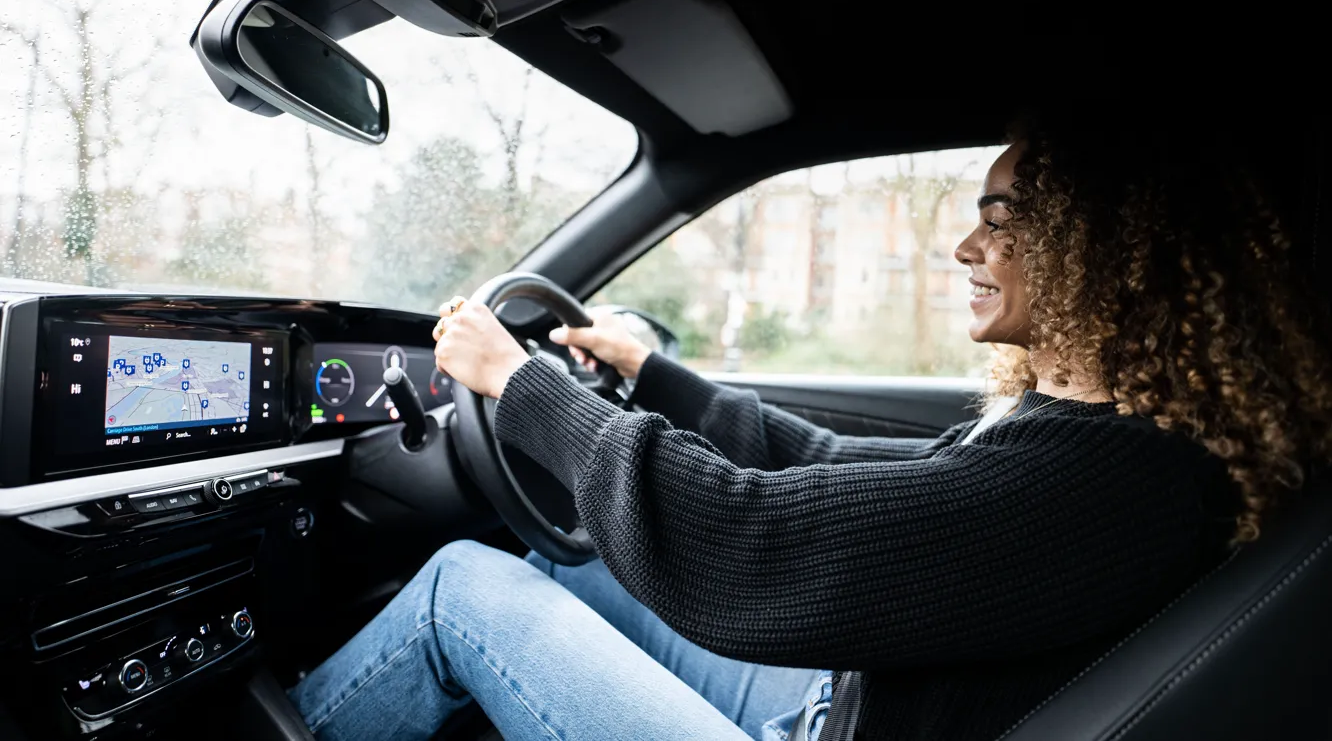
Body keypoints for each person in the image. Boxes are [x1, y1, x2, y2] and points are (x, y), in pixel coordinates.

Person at [288, 114, 1332, 741]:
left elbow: (746, 546)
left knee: (461, 590)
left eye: (1006, 218)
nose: (967, 245)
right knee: (559, 562)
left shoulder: (1107, 483)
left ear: (1113, 248)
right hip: (848, 705)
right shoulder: (1098, 437)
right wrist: (654, 376)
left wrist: (522, 386)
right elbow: (833, 471)